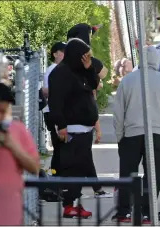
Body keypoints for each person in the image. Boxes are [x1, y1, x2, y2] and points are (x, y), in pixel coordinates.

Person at [112, 46, 160, 224]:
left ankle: (124, 211)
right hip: (158, 134)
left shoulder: (127, 81)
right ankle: (148, 213)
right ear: (157, 61)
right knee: (154, 176)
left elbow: (118, 112)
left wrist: (120, 136)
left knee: (128, 174)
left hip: (131, 134)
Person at [0, 81, 41, 225]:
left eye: (3, 111)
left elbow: (34, 168)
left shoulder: (18, 130)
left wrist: (10, 144)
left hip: (9, 212)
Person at [47, 38, 100, 218]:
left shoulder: (80, 71)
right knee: (72, 167)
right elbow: (56, 102)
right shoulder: (61, 73)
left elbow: (94, 84)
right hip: (71, 128)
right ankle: (69, 204)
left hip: (84, 128)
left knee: (80, 166)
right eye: (84, 56)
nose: (87, 58)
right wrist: (61, 125)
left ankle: (72, 203)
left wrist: (89, 68)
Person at [66, 23, 112, 198]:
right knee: (82, 156)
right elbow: (102, 76)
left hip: (77, 117)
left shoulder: (68, 64)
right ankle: (81, 192)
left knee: (80, 156)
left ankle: (76, 191)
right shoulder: (84, 62)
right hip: (79, 117)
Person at [42, 41, 66, 176]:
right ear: (55, 54)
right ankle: (57, 177)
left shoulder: (60, 69)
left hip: (55, 111)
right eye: (63, 51)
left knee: (60, 147)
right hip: (53, 112)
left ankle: (58, 177)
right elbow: (46, 91)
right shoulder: (53, 69)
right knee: (59, 147)